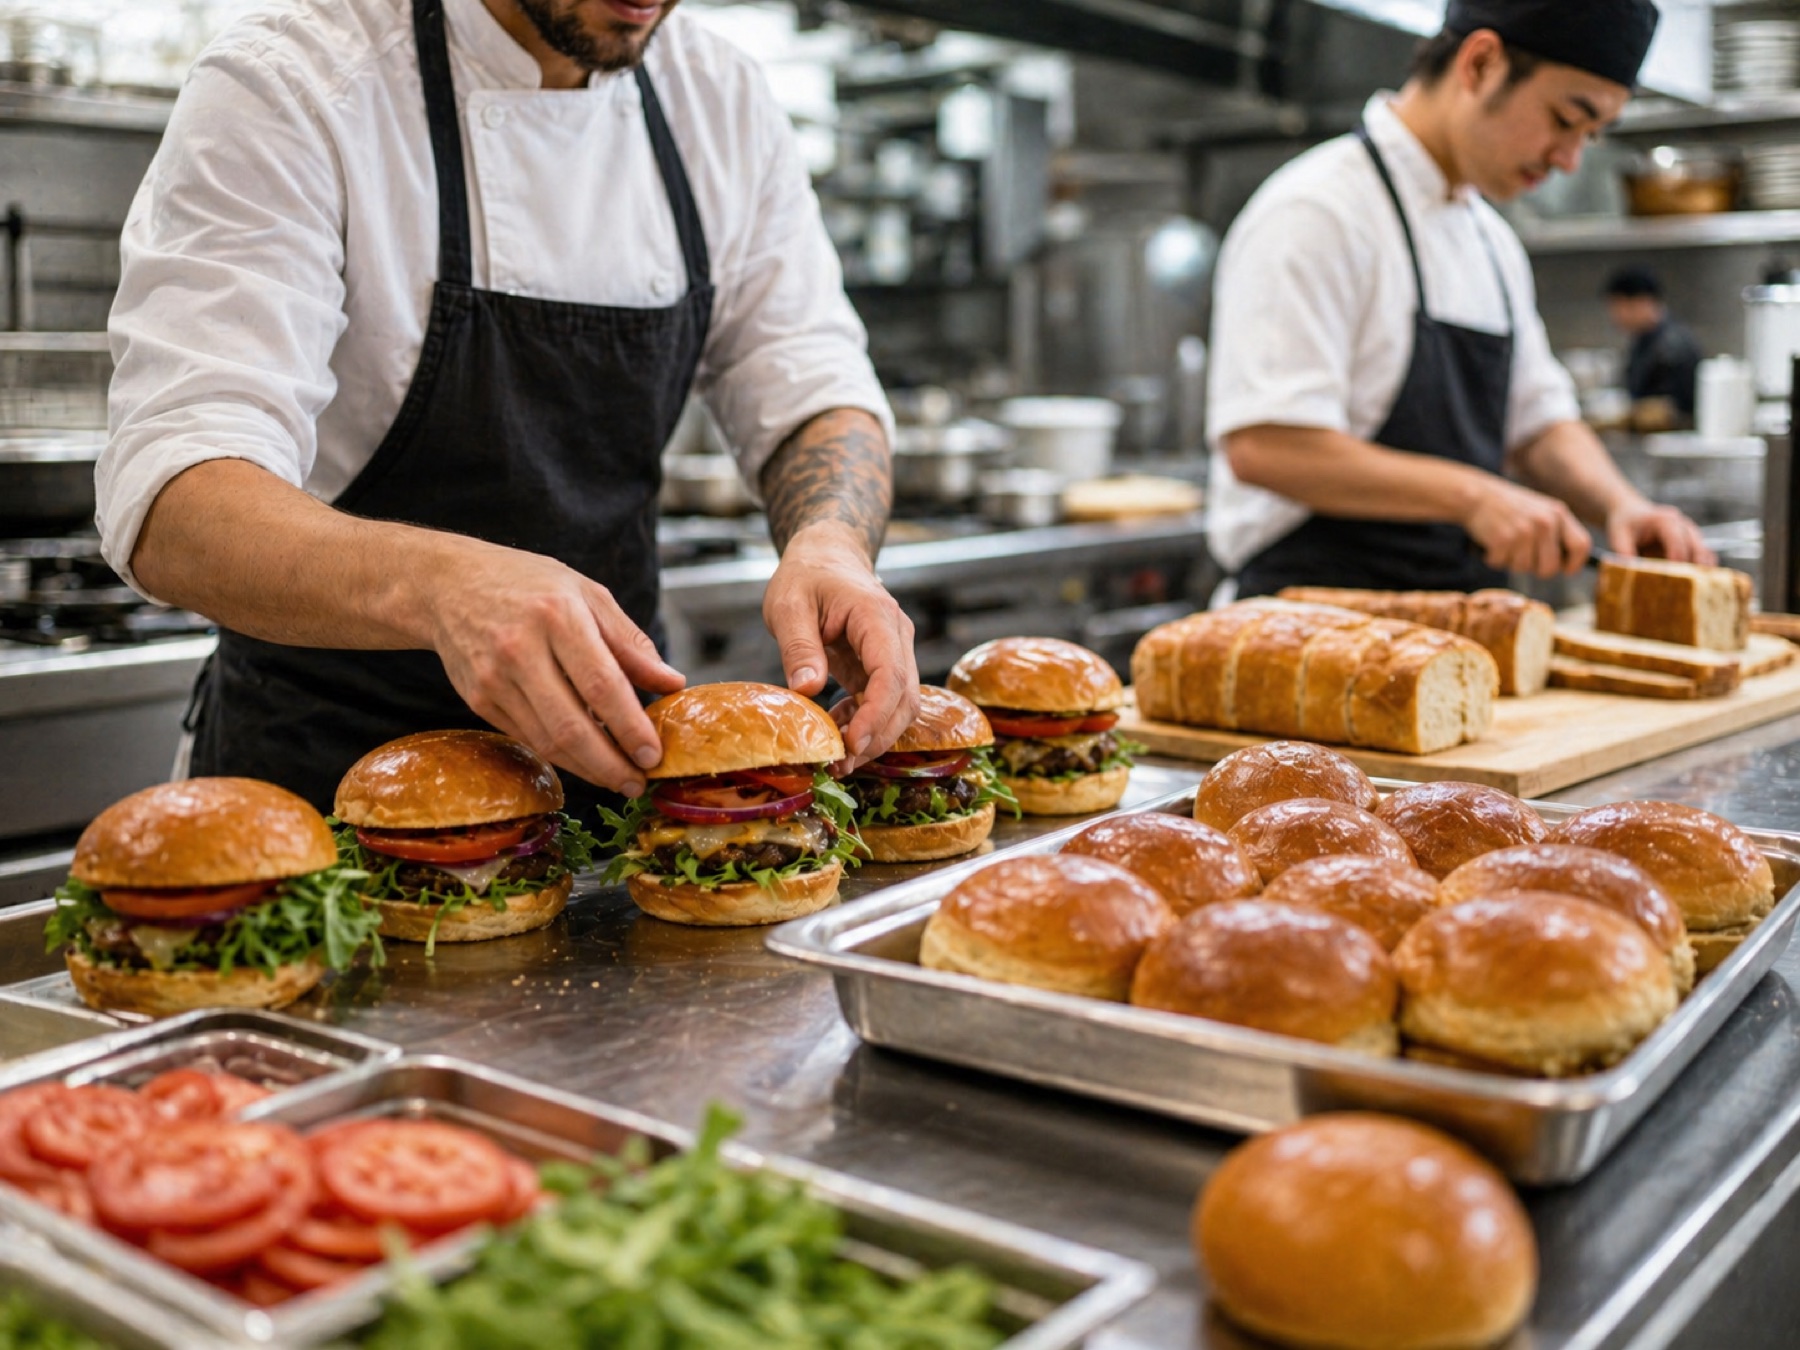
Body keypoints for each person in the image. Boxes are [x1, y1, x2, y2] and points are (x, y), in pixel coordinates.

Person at [99, 0, 920, 816]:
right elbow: (177, 500)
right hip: (321, 790)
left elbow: (812, 387)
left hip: (622, 772)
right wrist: (441, 586)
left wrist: (833, 543)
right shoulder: (295, 79)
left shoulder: (722, 97)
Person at [1206, 0, 1714, 599]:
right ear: (1480, 64)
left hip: (1455, 634)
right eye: (1563, 118)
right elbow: (1266, 446)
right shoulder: (1317, 212)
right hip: (1309, 631)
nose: (1569, 159)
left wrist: (1621, 505)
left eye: (1589, 135)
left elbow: (1537, 426)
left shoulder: (1491, 242)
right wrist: (1474, 496)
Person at [1605, 265, 1702, 417]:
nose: (1616, 316)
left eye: (1619, 306)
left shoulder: (1673, 346)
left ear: (1642, 302)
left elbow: (1680, 408)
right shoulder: (1642, 341)